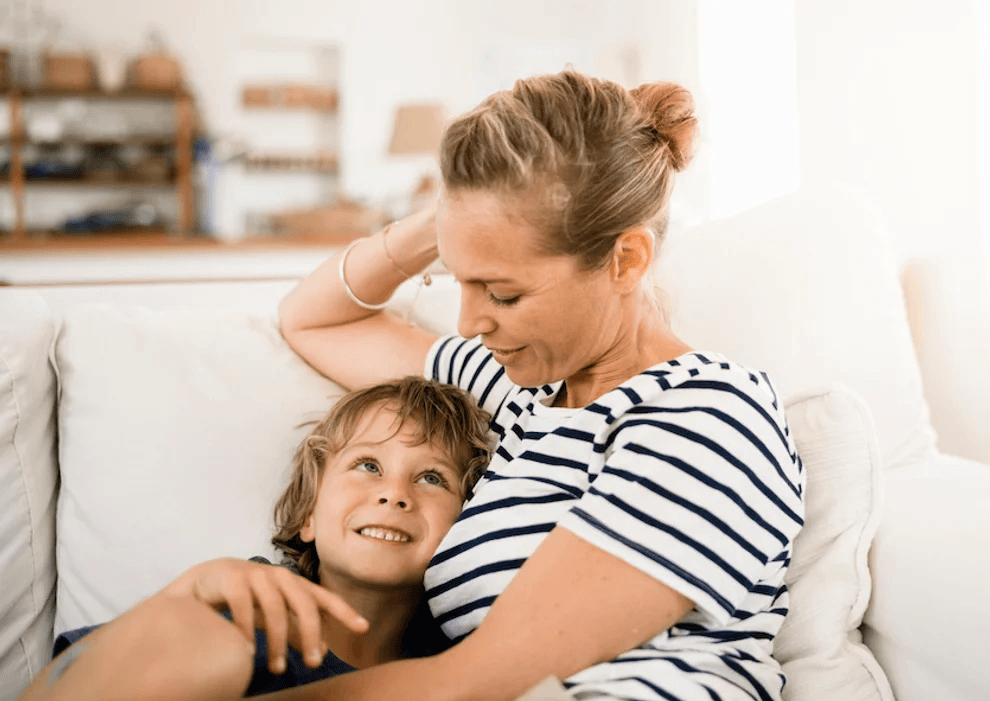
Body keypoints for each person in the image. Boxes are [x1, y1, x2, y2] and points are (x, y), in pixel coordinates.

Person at [273, 68, 805, 701]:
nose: (470, 323)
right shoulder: (515, 393)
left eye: (503, 292)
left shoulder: (711, 418)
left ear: (625, 260)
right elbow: (314, 320)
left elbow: (478, 680)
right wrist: (449, 217)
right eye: (459, 280)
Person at [18, 377, 492, 701]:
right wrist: (186, 594)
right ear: (309, 513)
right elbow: (58, 684)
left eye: (432, 478)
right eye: (368, 466)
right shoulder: (238, 605)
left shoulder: (465, 653)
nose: (394, 494)